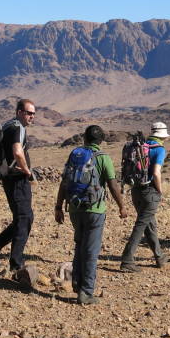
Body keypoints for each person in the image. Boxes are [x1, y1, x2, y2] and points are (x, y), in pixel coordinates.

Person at [55, 125, 127, 304]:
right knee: (91, 251)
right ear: (101, 141)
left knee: (79, 245)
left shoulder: (75, 155)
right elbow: (112, 185)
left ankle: (77, 283)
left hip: (74, 208)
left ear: (85, 139)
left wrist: (58, 206)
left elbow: (64, 182)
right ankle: (86, 292)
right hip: (95, 210)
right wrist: (122, 206)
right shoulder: (103, 158)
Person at [0, 99, 37, 278]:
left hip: (10, 178)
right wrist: (28, 171)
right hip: (17, 179)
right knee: (24, 217)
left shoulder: (8, 125)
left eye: (33, 113)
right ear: (20, 112)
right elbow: (17, 151)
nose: (32, 117)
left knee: (24, 217)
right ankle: (16, 263)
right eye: (29, 113)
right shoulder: (16, 127)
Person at [119, 121, 169, 272]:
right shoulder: (159, 150)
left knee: (149, 224)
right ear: (162, 136)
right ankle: (127, 259)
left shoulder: (141, 146)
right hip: (149, 191)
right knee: (141, 225)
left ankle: (159, 257)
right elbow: (155, 172)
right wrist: (159, 190)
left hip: (135, 190)